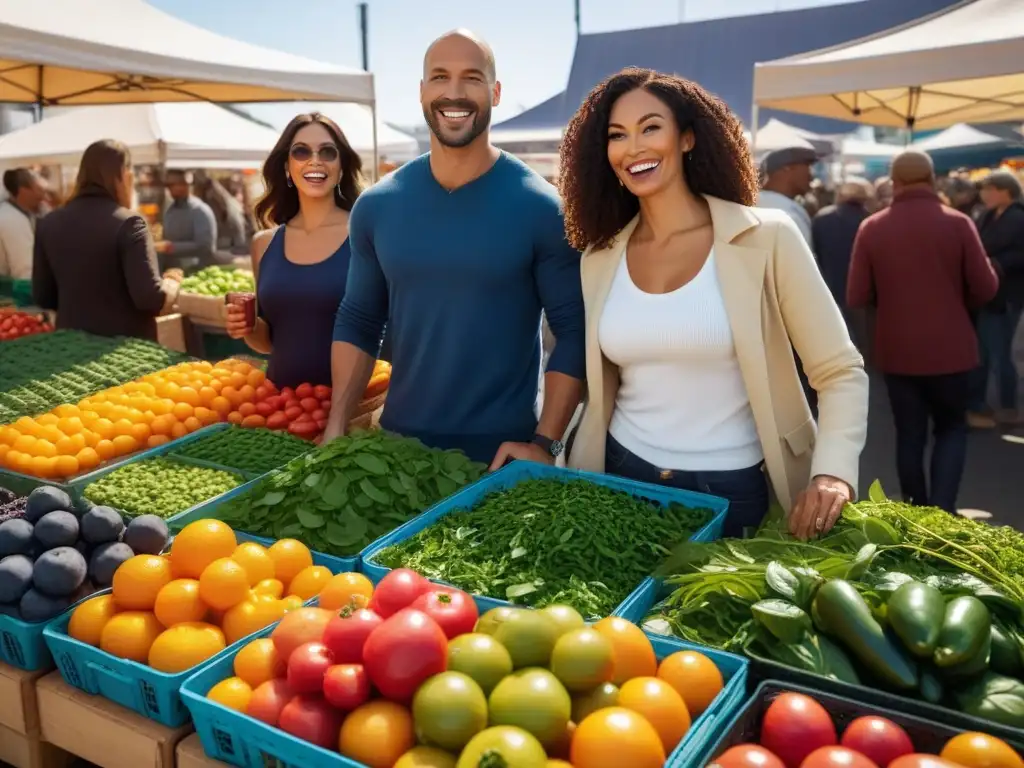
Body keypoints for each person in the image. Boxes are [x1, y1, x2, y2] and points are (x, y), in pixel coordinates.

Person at [559, 67, 868, 539]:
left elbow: (840, 371)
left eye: (650, 127)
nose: (634, 147)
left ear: (686, 138)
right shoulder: (600, 257)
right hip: (618, 476)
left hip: (731, 490)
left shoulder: (767, 238)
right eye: (617, 135)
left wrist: (833, 472)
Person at [322, 29, 585, 467]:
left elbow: (573, 332)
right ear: (422, 91)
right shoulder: (376, 206)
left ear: (495, 92)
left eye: (472, 78)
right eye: (440, 77)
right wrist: (337, 421)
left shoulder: (542, 208)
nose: (455, 92)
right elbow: (359, 319)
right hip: (396, 451)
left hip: (503, 456)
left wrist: (546, 442)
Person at [847, 151, 998, 513]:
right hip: (952, 347)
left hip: (898, 350)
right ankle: (944, 510)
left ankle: (918, 510)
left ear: (894, 183)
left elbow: (856, 294)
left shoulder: (873, 227)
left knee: (910, 434)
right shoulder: (959, 223)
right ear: (932, 180)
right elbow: (985, 287)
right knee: (951, 428)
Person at [224, 113, 364, 389]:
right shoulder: (263, 244)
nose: (315, 160)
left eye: (327, 152)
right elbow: (268, 343)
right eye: (301, 151)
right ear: (287, 166)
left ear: (342, 166)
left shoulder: (366, 234)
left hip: (356, 409)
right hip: (283, 407)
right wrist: (247, 326)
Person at [32, 140, 181, 340]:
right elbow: (150, 299)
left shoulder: (48, 223)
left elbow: (43, 296)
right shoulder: (130, 223)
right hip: (123, 354)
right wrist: (171, 281)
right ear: (123, 175)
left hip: (69, 346)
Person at [968, 170, 1024, 427]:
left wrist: (995, 264)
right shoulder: (987, 216)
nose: (984, 194)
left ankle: (1009, 406)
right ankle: (979, 404)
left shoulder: (1018, 217)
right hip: (985, 293)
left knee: (1001, 354)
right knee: (984, 353)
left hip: (1006, 295)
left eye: (989, 189)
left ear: (1005, 191)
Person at [812, 178, 873, 347]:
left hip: (829, 289)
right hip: (862, 297)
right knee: (862, 344)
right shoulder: (869, 220)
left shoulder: (821, 218)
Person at [156, 170, 218, 270]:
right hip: (172, 272)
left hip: (195, 272)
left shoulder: (199, 211)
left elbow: (205, 246)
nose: (169, 189)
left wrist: (170, 247)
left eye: (172, 185)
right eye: (167, 185)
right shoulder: (170, 210)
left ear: (185, 185)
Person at [757, 146, 817, 244]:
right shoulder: (786, 214)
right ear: (787, 168)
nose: (811, 175)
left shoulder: (754, 204)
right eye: (807, 166)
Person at [0, 168, 47, 281]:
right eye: (38, 189)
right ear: (24, 191)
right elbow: (25, 272)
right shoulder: (10, 219)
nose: (43, 196)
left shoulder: (30, 213)